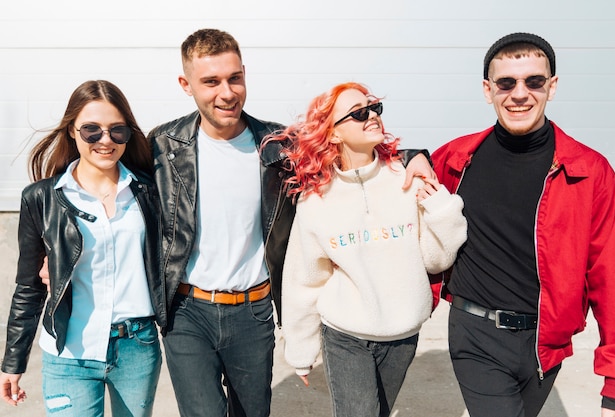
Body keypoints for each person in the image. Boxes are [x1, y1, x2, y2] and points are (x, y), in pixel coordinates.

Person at [147, 29, 434, 417]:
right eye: (210, 82)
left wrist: (416, 155)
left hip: (252, 312)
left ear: (244, 73)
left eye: (234, 78)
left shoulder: (278, 146)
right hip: (187, 312)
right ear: (186, 84)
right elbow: (105, 174)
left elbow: (347, 150)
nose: (227, 92)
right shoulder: (163, 145)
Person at [430, 32, 615, 417]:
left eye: (533, 81)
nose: (519, 93)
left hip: (546, 342)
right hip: (476, 333)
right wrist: (412, 155)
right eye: (506, 83)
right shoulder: (455, 159)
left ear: (551, 87)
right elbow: (387, 180)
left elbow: (611, 277)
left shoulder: (590, 172)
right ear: (488, 91)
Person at [267, 82, 467, 417]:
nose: (372, 116)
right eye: (359, 113)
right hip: (344, 335)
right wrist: (301, 350)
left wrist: (442, 211)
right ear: (333, 134)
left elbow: (435, 261)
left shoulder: (408, 178)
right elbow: (305, 279)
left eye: (374, 108)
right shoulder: (316, 200)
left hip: (403, 335)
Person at [0, 80, 166, 416]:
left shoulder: (150, 193)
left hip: (137, 348)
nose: (105, 141)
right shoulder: (41, 198)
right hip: (68, 353)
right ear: (72, 132)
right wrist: (13, 361)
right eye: (92, 130)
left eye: (117, 131)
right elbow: (29, 288)